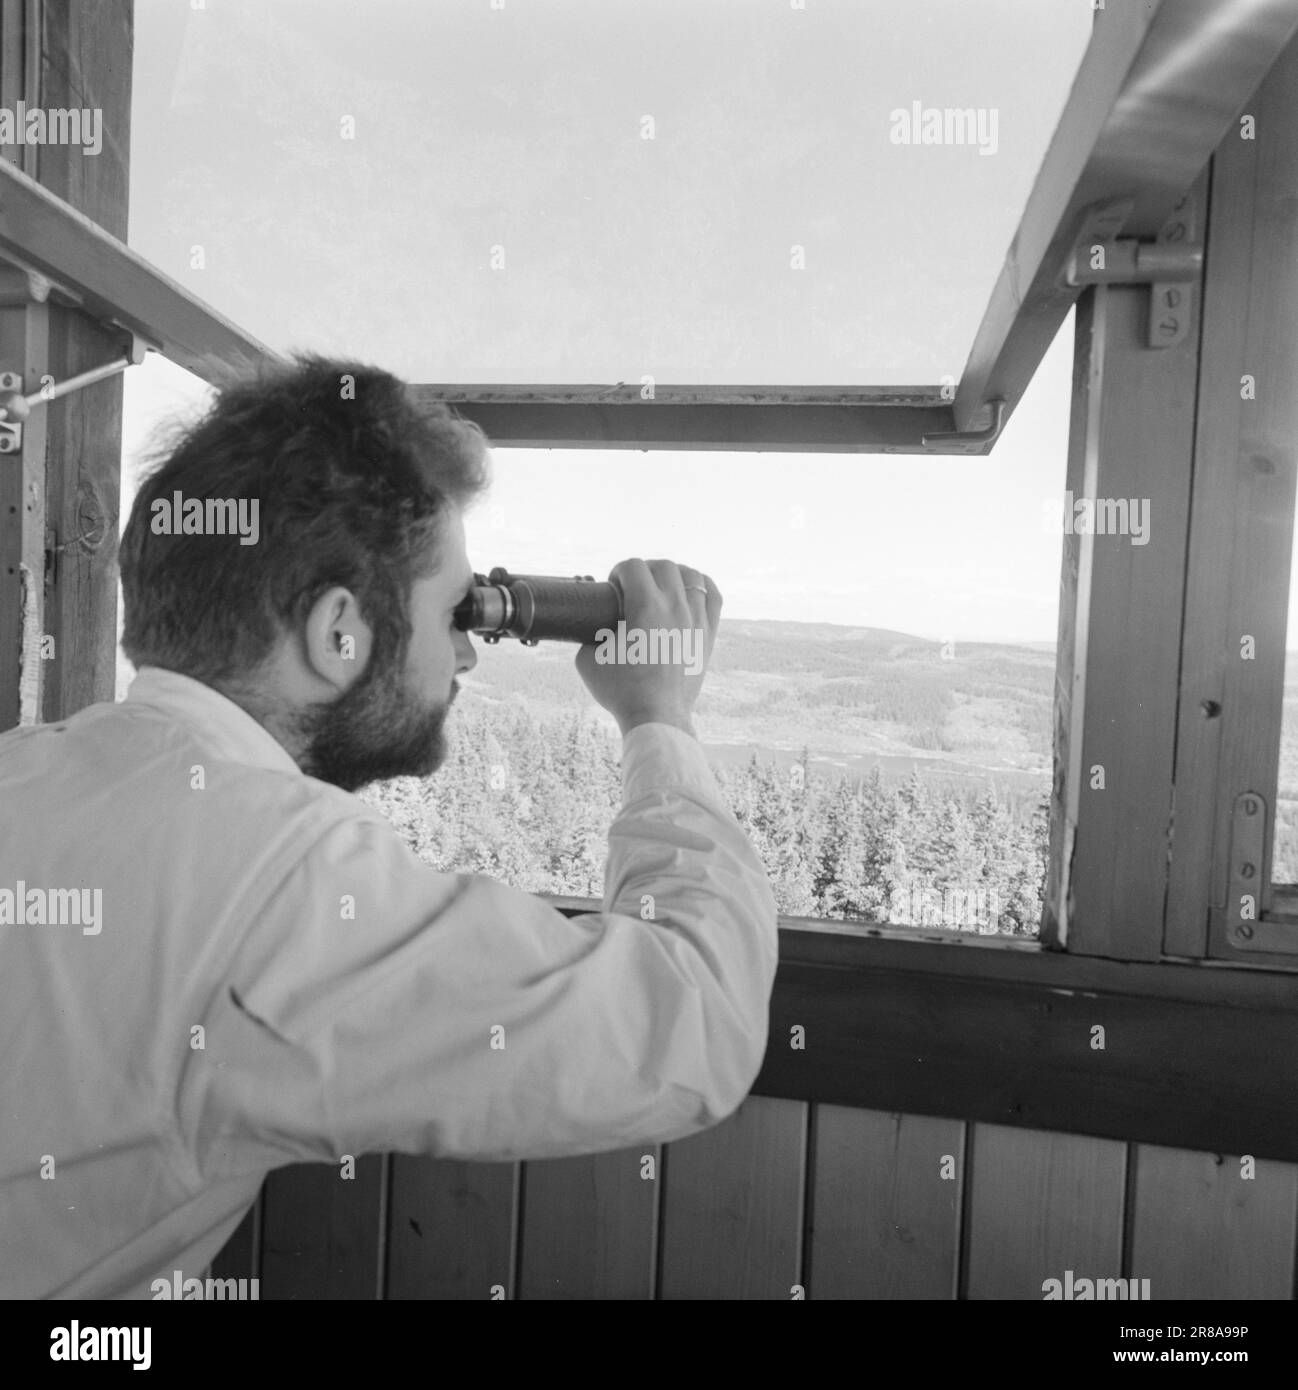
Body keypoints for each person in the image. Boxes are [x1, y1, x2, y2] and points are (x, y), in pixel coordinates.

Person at [0, 355, 779, 1299]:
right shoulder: (282, 881)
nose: (466, 654)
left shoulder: (26, 767)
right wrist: (660, 717)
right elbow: (695, 1025)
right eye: (452, 611)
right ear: (340, 632)